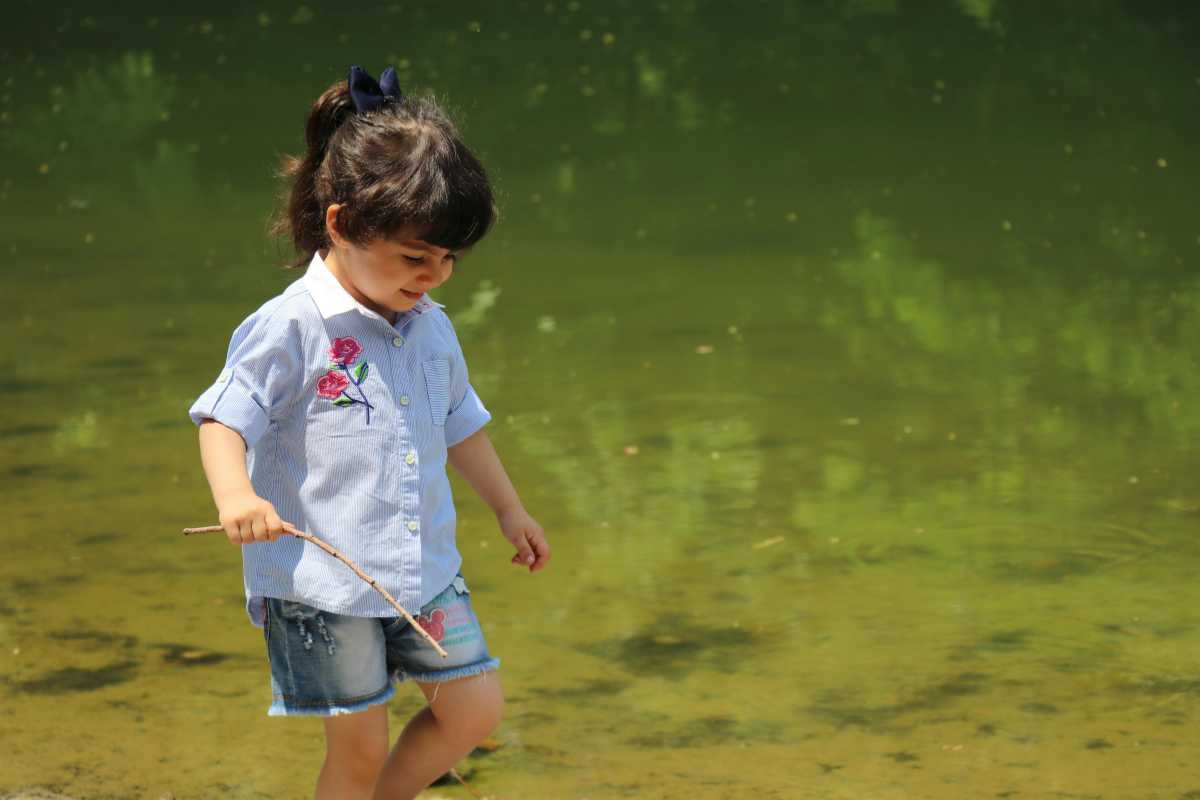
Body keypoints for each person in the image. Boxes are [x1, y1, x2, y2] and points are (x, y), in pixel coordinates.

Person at [188, 65, 550, 800]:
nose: (436, 276)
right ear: (343, 224)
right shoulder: (291, 325)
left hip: (425, 571)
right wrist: (235, 498)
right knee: (356, 750)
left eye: (449, 259)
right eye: (416, 257)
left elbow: (462, 426)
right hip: (326, 586)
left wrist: (510, 510)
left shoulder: (431, 328)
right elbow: (224, 417)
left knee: (475, 709)